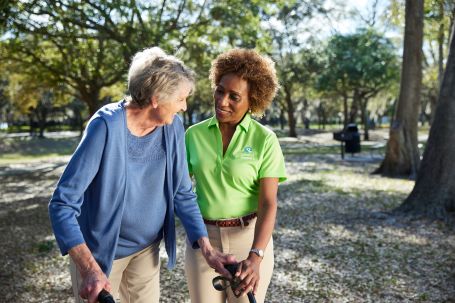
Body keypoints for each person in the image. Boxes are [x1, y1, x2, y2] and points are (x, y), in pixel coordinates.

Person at [49, 47, 235, 303]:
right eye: (181, 98)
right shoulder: (105, 127)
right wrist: (89, 269)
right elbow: (62, 204)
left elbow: (182, 193)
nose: (184, 107)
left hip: (147, 251)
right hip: (101, 256)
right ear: (156, 98)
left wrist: (207, 249)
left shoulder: (173, 129)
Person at [184, 49, 287, 303]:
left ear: (252, 100)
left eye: (234, 96)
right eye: (220, 90)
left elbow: (268, 203)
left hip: (248, 240)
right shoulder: (193, 135)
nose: (222, 101)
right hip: (203, 243)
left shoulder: (265, 140)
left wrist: (256, 255)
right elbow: (182, 193)